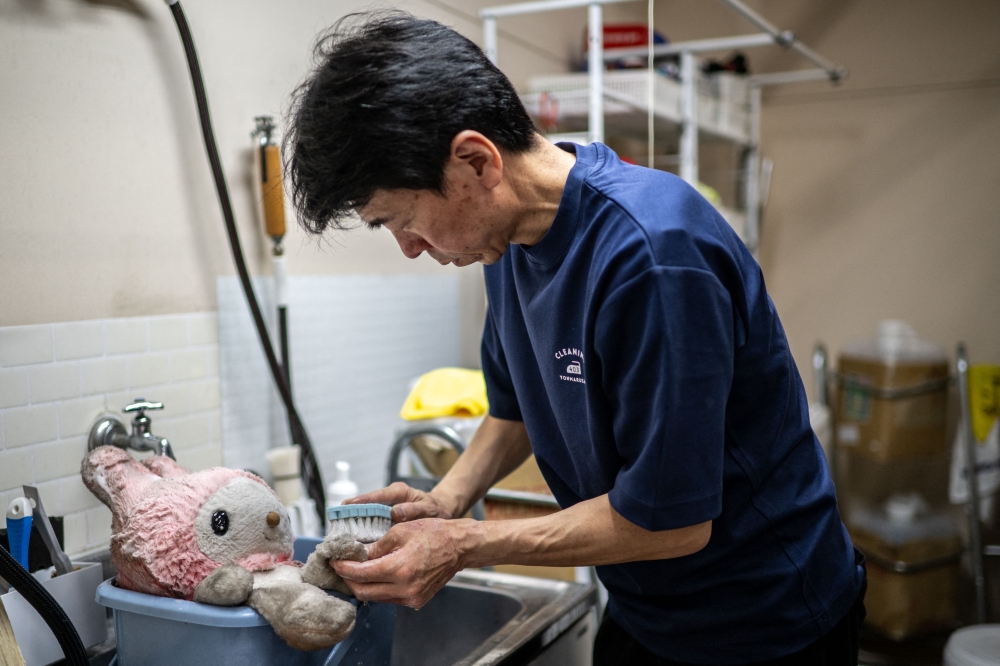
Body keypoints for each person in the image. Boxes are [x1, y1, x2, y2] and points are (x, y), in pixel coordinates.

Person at [284, 12, 866, 666]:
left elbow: (672, 522)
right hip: (648, 608)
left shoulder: (653, 257)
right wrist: (445, 500)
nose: (410, 248)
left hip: (766, 621)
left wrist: (463, 543)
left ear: (476, 161)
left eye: (402, 220)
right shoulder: (504, 243)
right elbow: (515, 409)